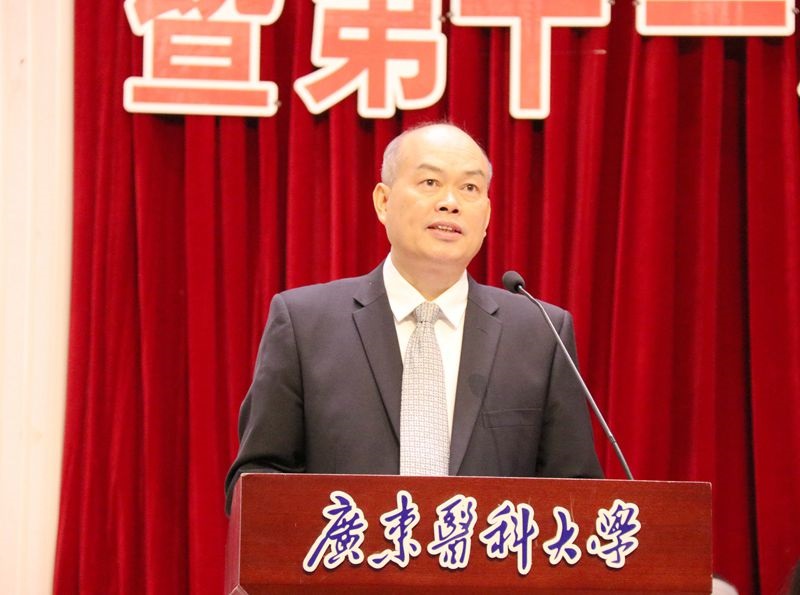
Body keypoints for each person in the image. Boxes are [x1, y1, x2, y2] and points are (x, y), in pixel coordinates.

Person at [225, 123, 603, 512]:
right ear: (383, 201)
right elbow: (257, 482)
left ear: (487, 215)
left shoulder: (540, 334)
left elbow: (577, 496)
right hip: (349, 549)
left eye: (470, 188)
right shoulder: (305, 325)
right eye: (429, 182)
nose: (450, 203)